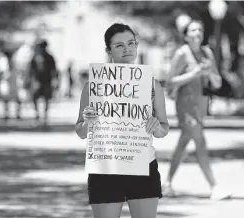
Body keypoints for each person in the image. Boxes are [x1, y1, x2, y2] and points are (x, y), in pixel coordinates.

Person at [75, 23, 169, 218]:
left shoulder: (152, 85)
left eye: (131, 43)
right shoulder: (93, 86)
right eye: (119, 45)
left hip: (143, 166)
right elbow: (80, 131)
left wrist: (156, 127)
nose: (127, 49)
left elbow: (163, 128)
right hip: (105, 169)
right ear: (108, 50)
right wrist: (88, 123)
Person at [164, 19, 231, 200]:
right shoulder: (181, 54)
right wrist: (193, 74)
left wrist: (209, 73)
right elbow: (169, 81)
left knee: (185, 140)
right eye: (193, 30)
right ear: (186, 36)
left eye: (200, 30)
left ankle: (167, 183)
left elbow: (217, 82)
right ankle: (214, 187)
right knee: (200, 141)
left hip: (201, 104)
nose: (197, 33)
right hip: (184, 104)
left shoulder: (207, 53)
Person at [27, 39, 58, 124]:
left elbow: (54, 70)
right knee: (34, 97)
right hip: (37, 81)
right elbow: (31, 70)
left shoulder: (50, 57)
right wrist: (31, 80)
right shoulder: (35, 57)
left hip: (47, 81)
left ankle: (45, 115)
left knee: (47, 98)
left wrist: (55, 80)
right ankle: (37, 114)